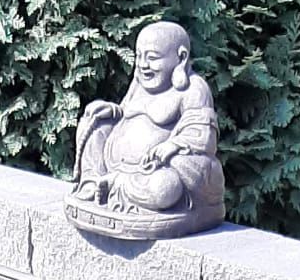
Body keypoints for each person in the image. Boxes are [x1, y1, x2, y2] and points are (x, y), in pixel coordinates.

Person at [68, 21, 226, 241]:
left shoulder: (193, 88)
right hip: (115, 164)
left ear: (180, 58)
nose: (143, 65)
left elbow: (203, 135)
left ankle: (116, 185)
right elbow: (126, 112)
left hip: (152, 173)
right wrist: (111, 110)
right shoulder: (140, 82)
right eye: (139, 56)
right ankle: (93, 181)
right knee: (94, 123)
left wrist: (172, 145)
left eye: (152, 57)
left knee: (166, 187)